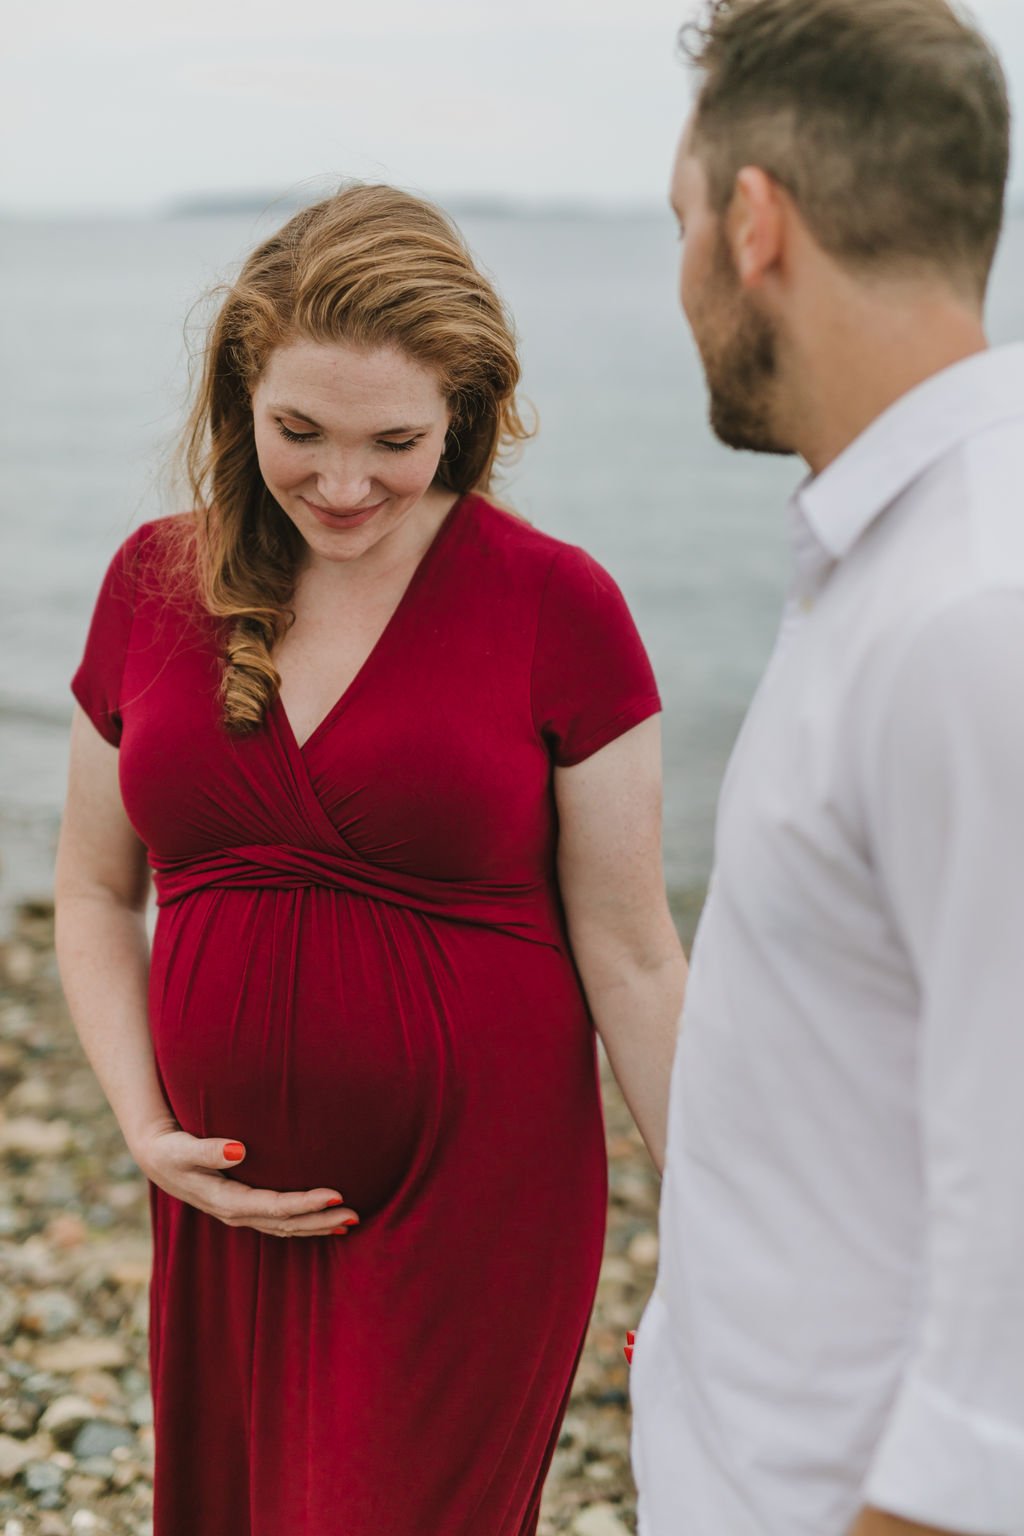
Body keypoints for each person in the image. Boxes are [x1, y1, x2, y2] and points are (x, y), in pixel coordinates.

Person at [54, 184, 687, 1536]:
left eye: (393, 441)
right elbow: (96, 891)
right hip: (226, 1215)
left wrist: (723, 1208)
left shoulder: (558, 606)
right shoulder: (150, 585)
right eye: (300, 434)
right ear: (241, 401)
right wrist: (143, 1132)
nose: (343, 486)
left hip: (476, 1208)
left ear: (470, 412)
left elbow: (634, 955)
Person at [630, 2, 1024, 1534]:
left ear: (752, 222)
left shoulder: (968, 614)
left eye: (679, 221)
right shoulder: (895, 560)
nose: (678, 281)